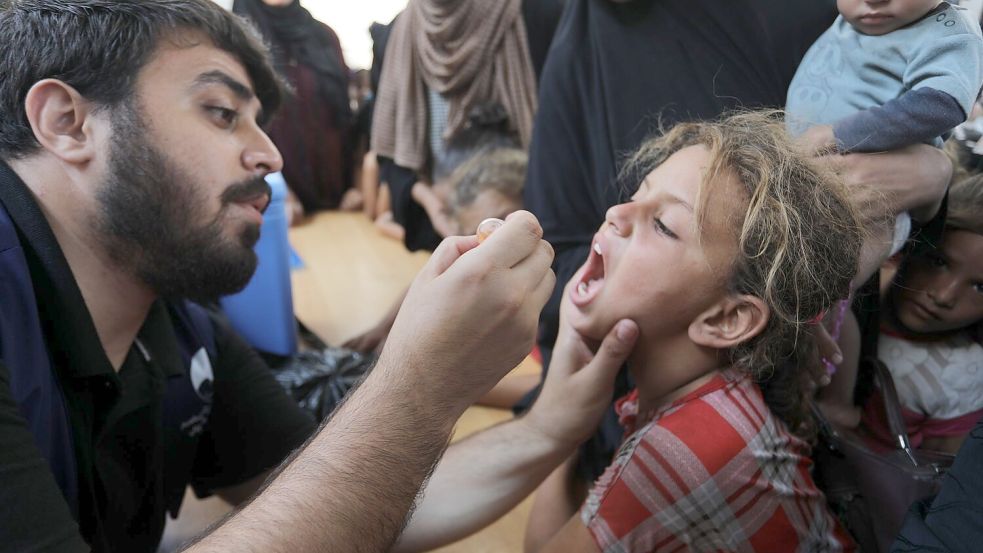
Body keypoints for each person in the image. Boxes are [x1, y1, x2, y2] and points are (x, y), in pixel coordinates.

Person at [0, 2, 633, 552]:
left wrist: (551, 424)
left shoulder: (181, 326)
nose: (270, 155)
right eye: (222, 112)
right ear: (66, 122)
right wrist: (416, 385)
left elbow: (349, 495)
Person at [516, 111, 860, 552]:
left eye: (662, 225)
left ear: (725, 319)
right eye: (637, 194)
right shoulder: (699, 399)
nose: (616, 213)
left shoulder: (691, 448)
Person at [787, 0, 983, 283]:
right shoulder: (857, 20)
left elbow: (940, 105)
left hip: (878, 199)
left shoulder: (950, 30)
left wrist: (837, 134)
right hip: (811, 175)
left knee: (827, 288)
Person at [856, 174, 983, 454]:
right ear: (912, 241)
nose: (944, 296)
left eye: (980, 287)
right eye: (938, 261)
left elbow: (939, 478)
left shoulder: (964, 374)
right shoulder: (850, 300)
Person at [231, 0, 354, 214]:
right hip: (278, 203)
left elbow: (347, 118)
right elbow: (236, 127)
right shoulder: (237, 42)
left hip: (342, 199)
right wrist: (277, 191)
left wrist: (356, 186)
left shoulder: (324, 36)